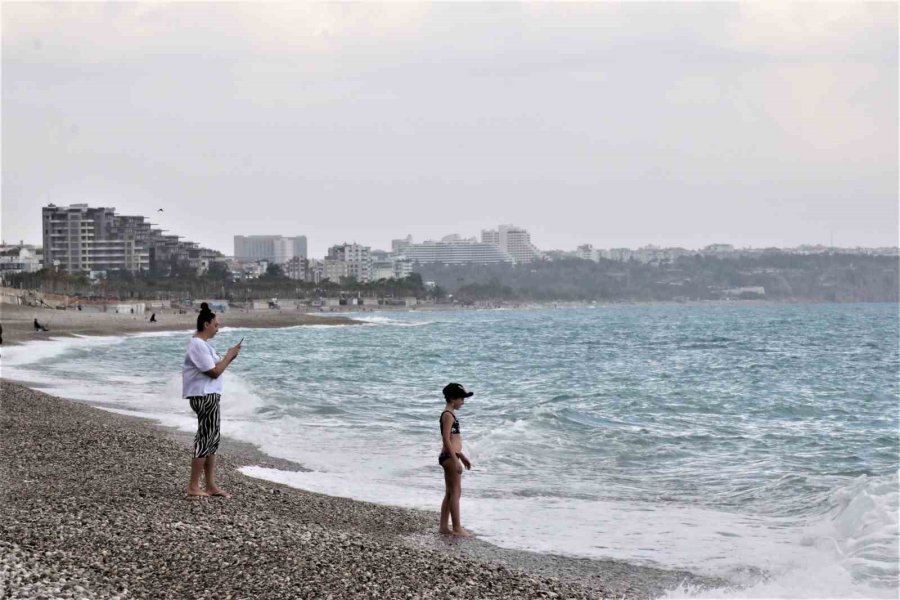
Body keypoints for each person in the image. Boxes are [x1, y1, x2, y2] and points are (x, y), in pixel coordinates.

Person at [182, 302, 242, 499]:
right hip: (203, 396)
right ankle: (193, 486)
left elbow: (217, 366)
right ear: (206, 324)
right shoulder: (197, 345)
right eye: (216, 325)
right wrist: (229, 355)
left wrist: (229, 357)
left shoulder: (204, 345)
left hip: (210, 396)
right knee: (205, 440)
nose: (218, 329)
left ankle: (210, 485)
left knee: (212, 441)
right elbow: (214, 372)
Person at [439, 382, 474, 536]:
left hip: (450, 455)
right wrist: (455, 460)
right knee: (455, 492)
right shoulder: (447, 415)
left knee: (449, 492)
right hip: (449, 457)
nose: (463, 402)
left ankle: (443, 527)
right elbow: (446, 440)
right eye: (461, 399)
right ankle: (457, 527)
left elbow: (454, 441)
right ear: (453, 398)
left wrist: (462, 456)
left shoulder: (450, 414)